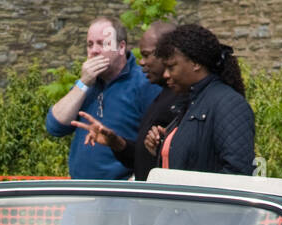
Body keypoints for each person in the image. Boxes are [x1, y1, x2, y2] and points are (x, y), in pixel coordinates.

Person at [74, 23, 254, 177]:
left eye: (172, 67)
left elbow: (236, 173)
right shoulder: (189, 103)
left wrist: (191, 209)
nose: (166, 74)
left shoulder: (228, 103)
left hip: (198, 215)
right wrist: (159, 148)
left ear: (196, 63)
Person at [45, 16, 159, 180]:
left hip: (120, 193)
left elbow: (155, 144)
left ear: (121, 47)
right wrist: (83, 83)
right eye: (90, 44)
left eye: (102, 43)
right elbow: (55, 126)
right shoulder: (87, 84)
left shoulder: (144, 83)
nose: (94, 51)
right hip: (80, 191)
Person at [71, 21, 182, 181]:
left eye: (146, 55)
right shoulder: (164, 96)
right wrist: (117, 142)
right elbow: (55, 126)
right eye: (89, 44)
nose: (142, 62)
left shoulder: (171, 96)